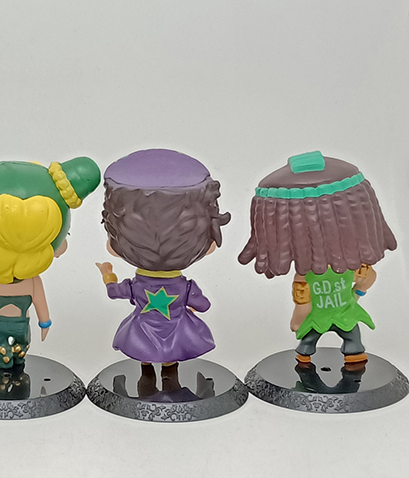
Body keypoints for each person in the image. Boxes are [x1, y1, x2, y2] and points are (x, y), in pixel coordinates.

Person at [0, 150, 100, 370]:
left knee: (18, 348)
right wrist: (44, 322)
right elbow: (38, 301)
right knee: (7, 348)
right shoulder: (11, 279)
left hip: (13, 322)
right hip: (9, 322)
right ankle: (6, 358)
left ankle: (12, 358)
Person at [238, 150, 396, 369]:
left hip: (345, 313)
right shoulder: (306, 275)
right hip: (317, 317)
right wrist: (298, 318)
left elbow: (365, 282)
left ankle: (350, 358)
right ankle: (306, 358)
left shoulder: (349, 266)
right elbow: (303, 302)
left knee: (351, 340)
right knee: (308, 342)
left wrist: (361, 286)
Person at [96, 149, 230, 393]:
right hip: (176, 332)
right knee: (170, 361)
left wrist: (107, 274)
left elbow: (114, 292)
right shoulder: (185, 287)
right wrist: (187, 305)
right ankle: (170, 378)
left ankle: (147, 376)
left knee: (145, 358)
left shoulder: (137, 286)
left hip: (142, 333)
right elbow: (204, 305)